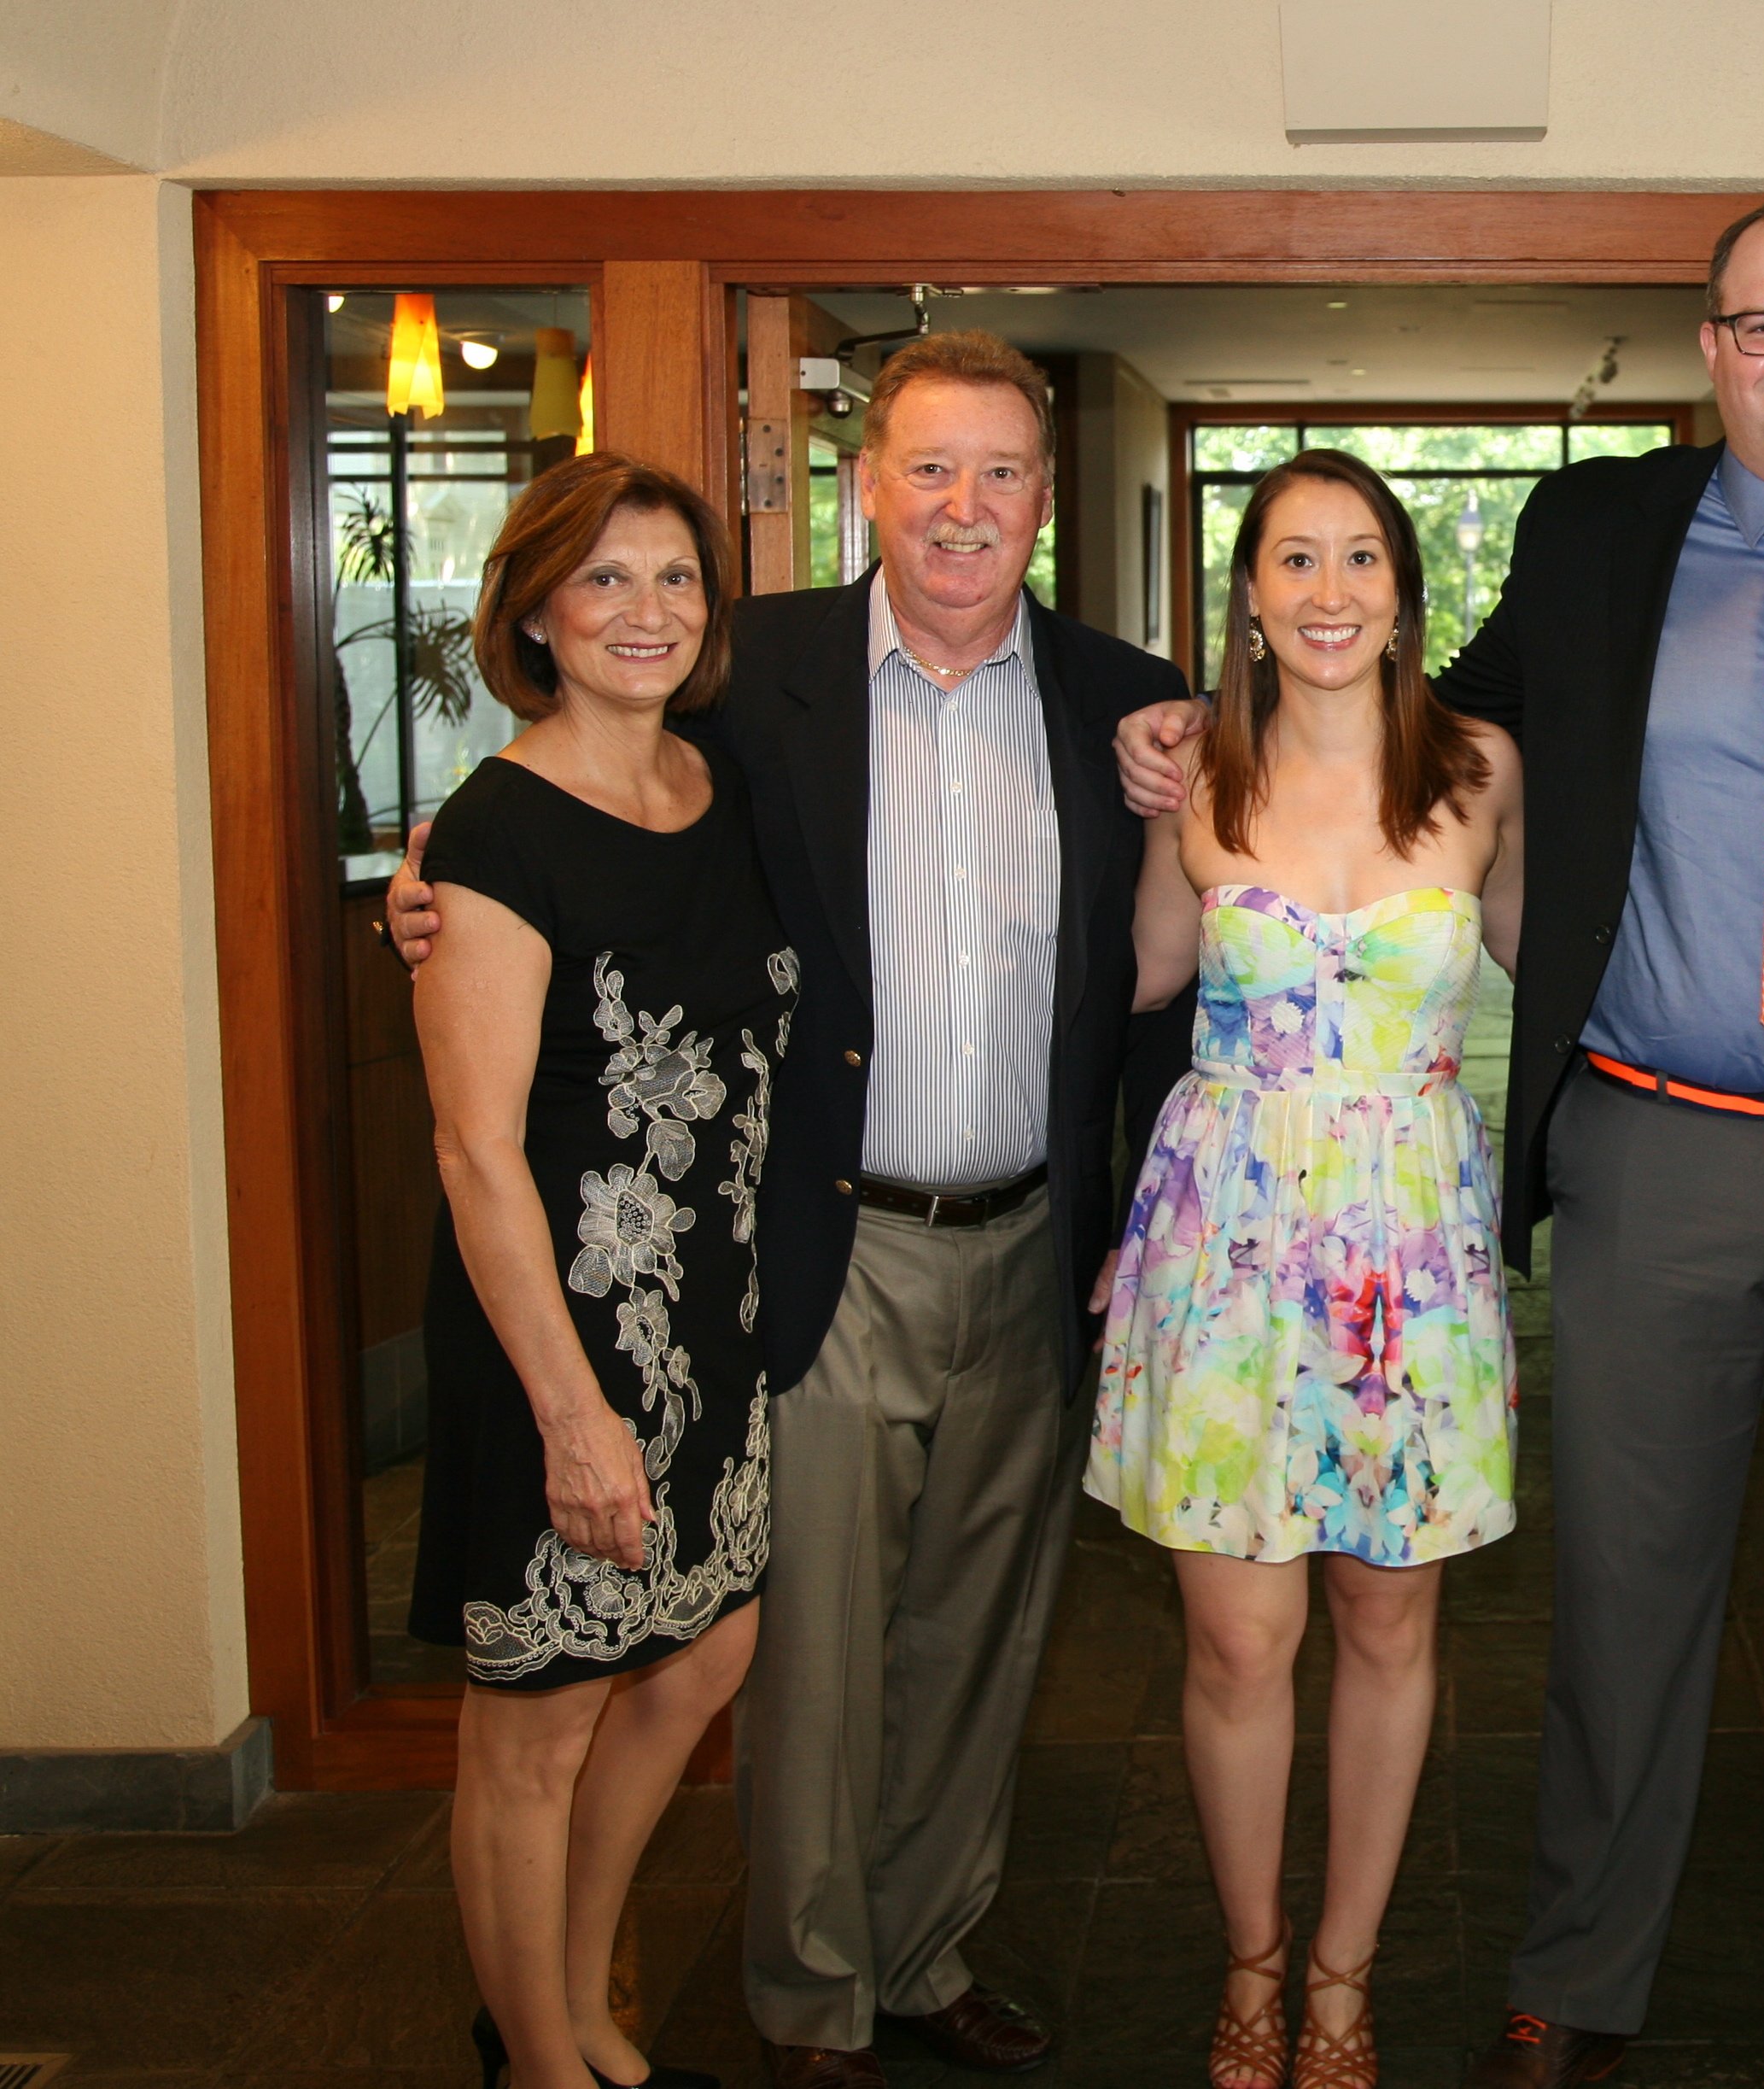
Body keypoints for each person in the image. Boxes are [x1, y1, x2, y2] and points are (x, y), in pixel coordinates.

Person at [1124, 199, 1764, 2089]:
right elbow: (1430, 706)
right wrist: (1188, 734)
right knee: (1627, 1594)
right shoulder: (1596, 532)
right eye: (1762, 324)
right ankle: (1579, 1975)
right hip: (1659, 1142)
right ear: (1710, 344)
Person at [395, 331, 1188, 2089]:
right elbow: (577, 811)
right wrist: (434, 893)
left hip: (1034, 1240)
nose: (964, 508)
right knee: (804, 1655)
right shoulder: (751, 681)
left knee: (980, 1639)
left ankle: (926, 1949)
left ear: (1042, 498)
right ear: (866, 483)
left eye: (1000, 472)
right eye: (930, 467)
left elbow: (1170, 960)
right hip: (823, 1241)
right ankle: (811, 1992)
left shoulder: (1126, 700)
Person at [1099, 449, 1523, 2089]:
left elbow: (1570, 958)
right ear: (1252, 597)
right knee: (1238, 1640)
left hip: (1410, 1252)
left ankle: (1344, 1971)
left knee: (1388, 1622)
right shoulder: (1196, 774)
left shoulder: (1481, 772)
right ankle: (1253, 1961)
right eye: (1295, 559)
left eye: (1359, 558)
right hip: (1226, 1241)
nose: (1329, 591)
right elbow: (1136, 974)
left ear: (1404, 593)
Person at [411, 452, 775, 2089]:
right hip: (556, 1339)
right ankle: (539, 2065)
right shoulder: (496, 831)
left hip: (712, 1324)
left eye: (675, 576)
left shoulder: (718, 782)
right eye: (606, 578)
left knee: (702, 1653)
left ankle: (565, 1997)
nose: (647, 609)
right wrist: (572, 1415)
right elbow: (476, 1150)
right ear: (537, 613)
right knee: (541, 1715)